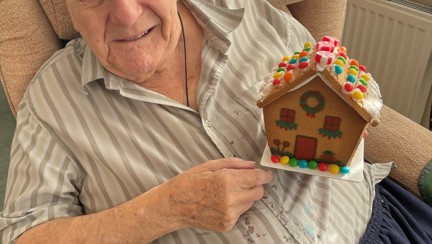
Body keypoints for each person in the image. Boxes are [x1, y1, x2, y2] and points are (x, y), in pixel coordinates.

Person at [0, 0, 394, 243]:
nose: (125, 13)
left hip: (384, 224)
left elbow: (333, 89)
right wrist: (164, 209)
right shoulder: (50, 100)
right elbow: (25, 234)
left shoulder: (251, 13)